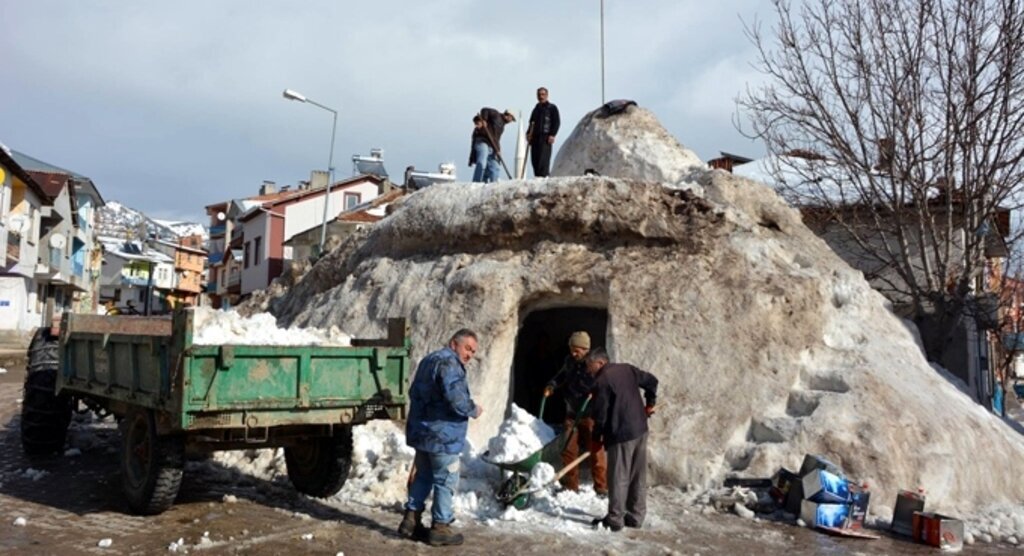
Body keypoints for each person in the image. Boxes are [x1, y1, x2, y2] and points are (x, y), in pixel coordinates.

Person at [399, 329, 484, 546]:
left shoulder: (429, 360)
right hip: (442, 435)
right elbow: (457, 399)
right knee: (446, 480)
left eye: (473, 351)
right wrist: (473, 409)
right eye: (467, 348)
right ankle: (440, 527)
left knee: (423, 476)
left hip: (424, 432)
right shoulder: (450, 364)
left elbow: (413, 392)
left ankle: (411, 520)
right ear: (453, 343)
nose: (469, 355)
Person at [585, 347, 659, 532]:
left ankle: (615, 519)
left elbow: (600, 415)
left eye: (590, 366)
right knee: (637, 475)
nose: (588, 370)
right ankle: (635, 517)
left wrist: (596, 438)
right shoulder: (627, 369)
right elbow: (652, 381)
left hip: (621, 433)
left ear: (600, 362)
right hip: (640, 429)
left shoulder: (602, 380)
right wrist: (650, 403)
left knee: (618, 476)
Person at [543, 331, 607, 495]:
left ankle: (601, 487)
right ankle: (571, 486)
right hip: (572, 413)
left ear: (585, 349)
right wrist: (552, 385)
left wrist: (596, 394)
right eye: (572, 349)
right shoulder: (570, 361)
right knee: (568, 449)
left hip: (590, 415)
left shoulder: (593, 364)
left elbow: (604, 384)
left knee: (596, 451)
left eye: (577, 350)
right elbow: (562, 375)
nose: (573, 353)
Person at [472, 107, 516, 182]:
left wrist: (498, 150)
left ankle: (493, 185)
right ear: (508, 115)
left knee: (495, 167)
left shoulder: (502, 126)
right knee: (482, 162)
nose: (511, 121)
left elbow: (496, 139)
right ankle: (477, 182)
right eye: (511, 119)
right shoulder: (496, 114)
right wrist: (484, 120)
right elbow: (484, 110)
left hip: (492, 146)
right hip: (483, 141)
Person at [526, 87, 561, 177]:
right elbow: (531, 123)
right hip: (535, 138)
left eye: (543, 94)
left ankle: (544, 178)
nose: (541, 97)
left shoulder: (552, 108)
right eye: (539, 95)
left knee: (543, 160)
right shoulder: (535, 109)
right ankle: (537, 178)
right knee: (535, 160)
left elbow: (556, 122)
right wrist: (528, 134)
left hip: (545, 137)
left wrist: (552, 134)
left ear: (547, 95)